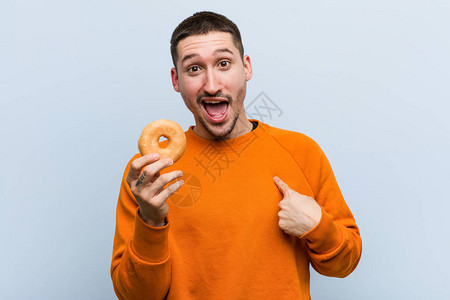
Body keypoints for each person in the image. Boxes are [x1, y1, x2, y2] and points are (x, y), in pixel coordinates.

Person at [111, 11, 362, 299]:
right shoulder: (148, 175)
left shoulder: (301, 152)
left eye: (224, 64)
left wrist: (317, 226)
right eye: (194, 69)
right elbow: (135, 295)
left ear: (247, 68)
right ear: (176, 79)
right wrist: (151, 221)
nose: (212, 84)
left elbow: (345, 264)